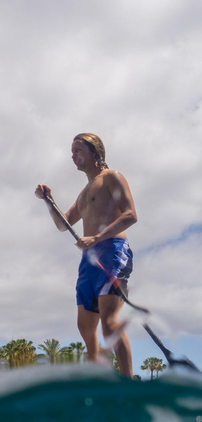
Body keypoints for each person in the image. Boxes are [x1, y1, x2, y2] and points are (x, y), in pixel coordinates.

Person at [35, 133, 137, 378]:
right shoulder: (83, 193)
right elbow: (64, 224)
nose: (73, 156)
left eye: (78, 150)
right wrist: (49, 201)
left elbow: (130, 215)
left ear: (95, 152)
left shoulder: (111, 177)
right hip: (89, 260)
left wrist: (97, 237)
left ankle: (128, 385)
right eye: (72, 151)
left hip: (112, 251)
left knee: (109, 323)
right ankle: (97, 385)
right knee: (85, 328)